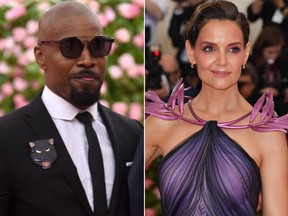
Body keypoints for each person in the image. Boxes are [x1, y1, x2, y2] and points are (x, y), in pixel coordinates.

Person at [0, 2, 143, 216]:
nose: (87, 60)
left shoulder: (132, 134)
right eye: (71, 47)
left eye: (98, 46)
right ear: (40, 56)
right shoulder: (5, 137)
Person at [145, 1, 288, 215]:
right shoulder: (163, 123)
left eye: (233, 49)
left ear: (246, 54)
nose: (221, 61)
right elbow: (115, 187)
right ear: (191, 52)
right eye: (209, 48)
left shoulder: (267, 134)